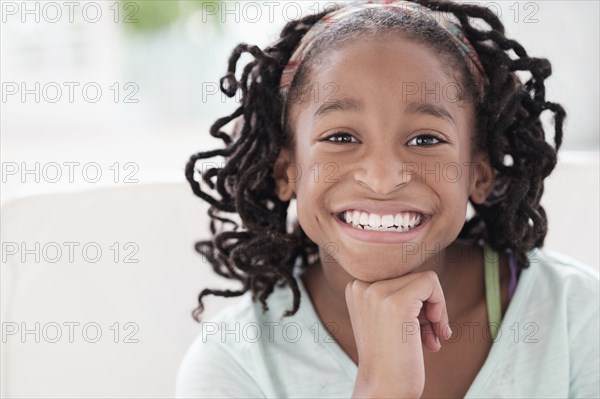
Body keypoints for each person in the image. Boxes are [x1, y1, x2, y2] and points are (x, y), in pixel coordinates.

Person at [177, 0, 599, 397]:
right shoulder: (236, 364)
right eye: (341, 136)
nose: (382, 178)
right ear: (287, 172)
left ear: (479, 174)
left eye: (425, 139)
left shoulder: (576, 318)